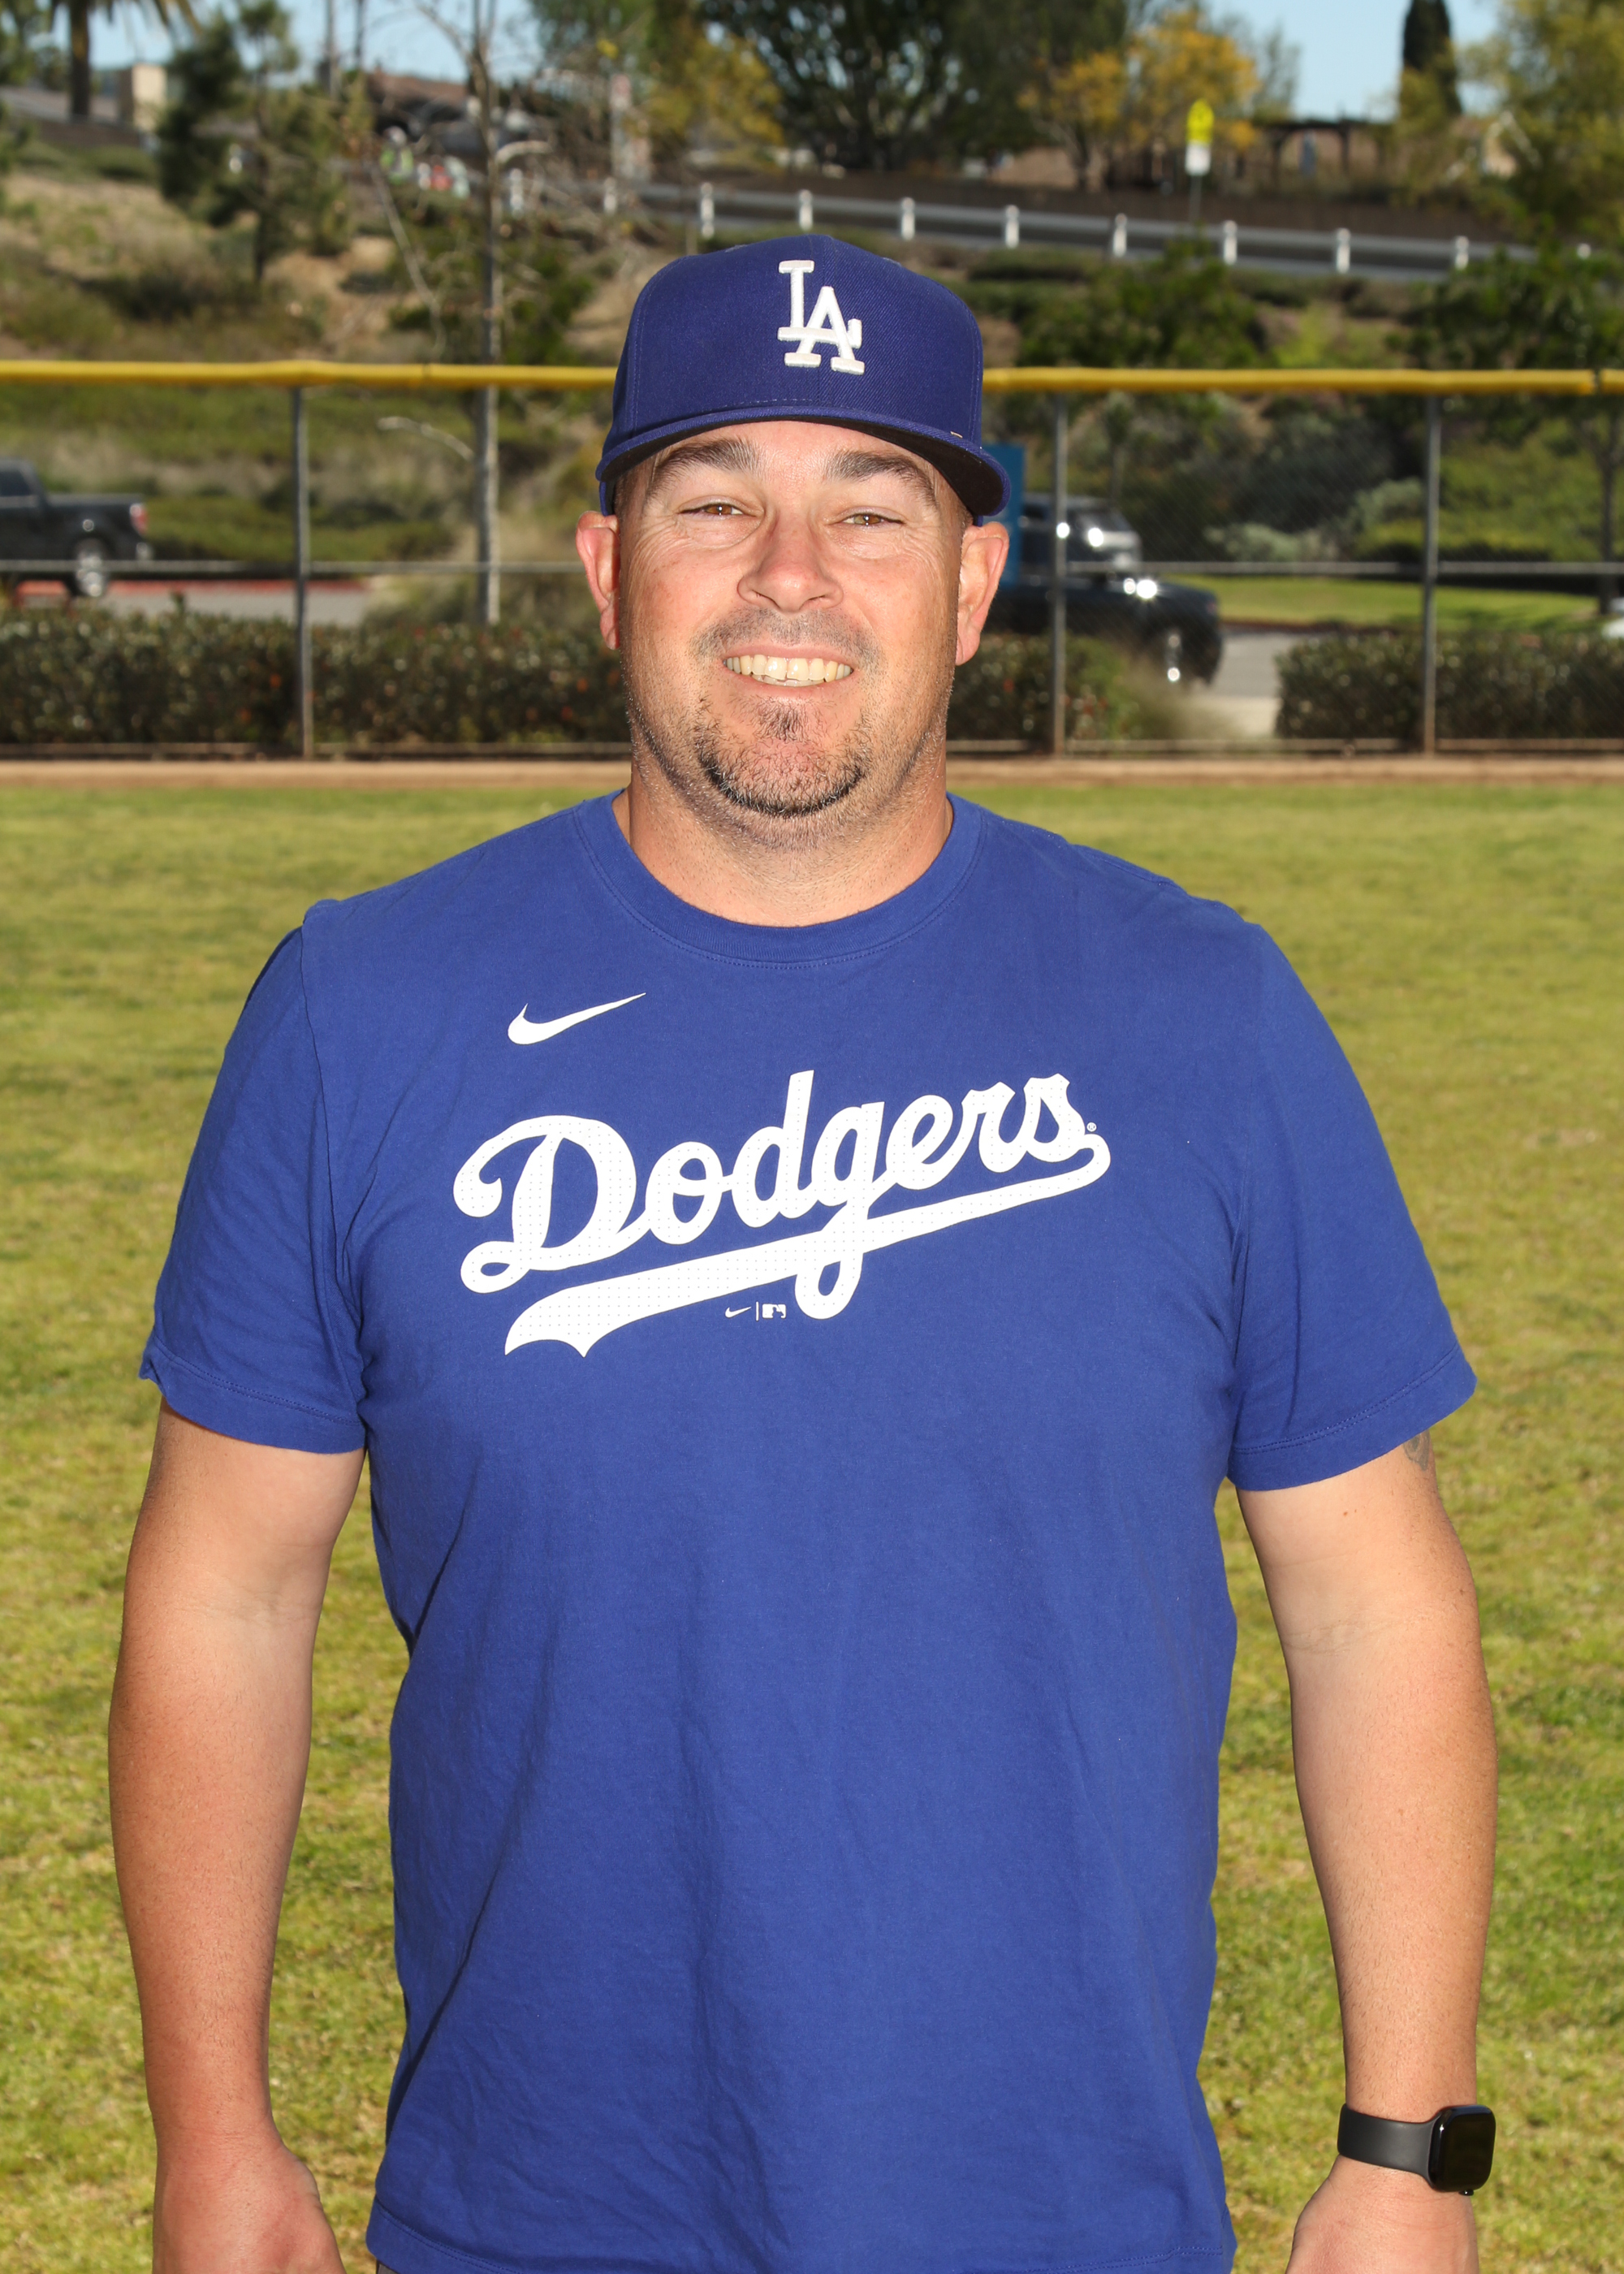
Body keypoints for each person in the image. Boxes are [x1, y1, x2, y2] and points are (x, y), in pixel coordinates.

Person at [110, 236, 1497, 2274]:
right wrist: (211, 2139)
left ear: (971, 583)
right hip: (539, 2217)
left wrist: (1406, 2156)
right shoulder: (361, 1010)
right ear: (608, 571)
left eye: (870, 510)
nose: (789, 576)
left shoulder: (1203, 1015)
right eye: (714, 503)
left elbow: (1372, 1599)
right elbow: (224, 1592)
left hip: (1064, 2220)